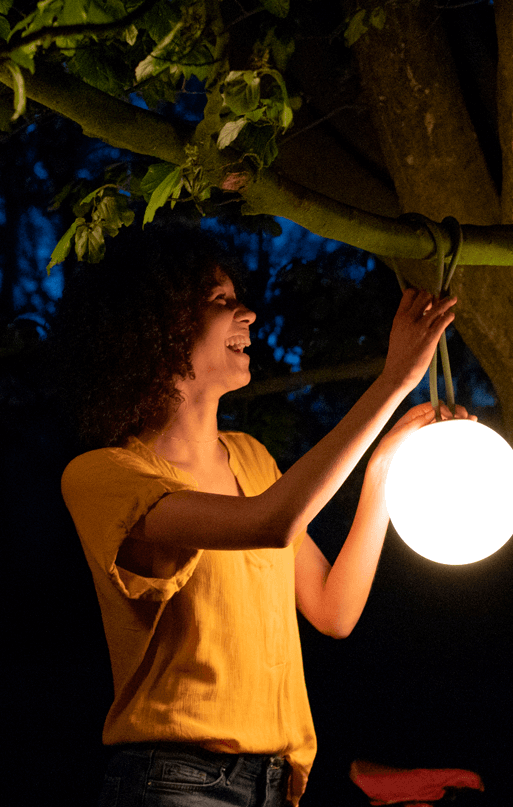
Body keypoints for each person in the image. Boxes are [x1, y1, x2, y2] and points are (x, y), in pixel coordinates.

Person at [55, 224, 469, 804]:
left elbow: (333, 609)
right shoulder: (104, 477)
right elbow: (269, 524)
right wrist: (393, 382)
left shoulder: (252, 457)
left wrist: (383, 471)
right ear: (160, 328)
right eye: (220, 301)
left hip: (276, 785)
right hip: (174, 784)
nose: (247, 313)